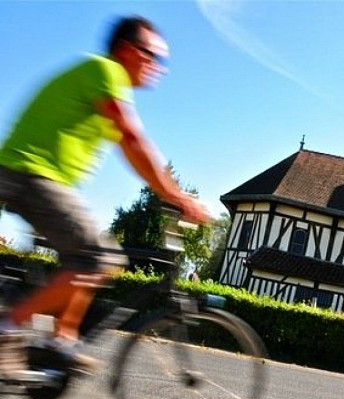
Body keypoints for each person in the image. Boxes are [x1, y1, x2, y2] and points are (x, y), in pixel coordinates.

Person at [0, 15, 209, 375]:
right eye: (153, 56)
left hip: (38, 177)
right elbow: (132, 140)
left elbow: (129, 150)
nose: (159, 67)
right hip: (29, 174)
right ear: (128, 50)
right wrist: (178, 196)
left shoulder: (102, 81)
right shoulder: (106, 72)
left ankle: (60, 342)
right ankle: (8, 328)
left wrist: (162, 191)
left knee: (88, 255)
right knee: (99, 257)